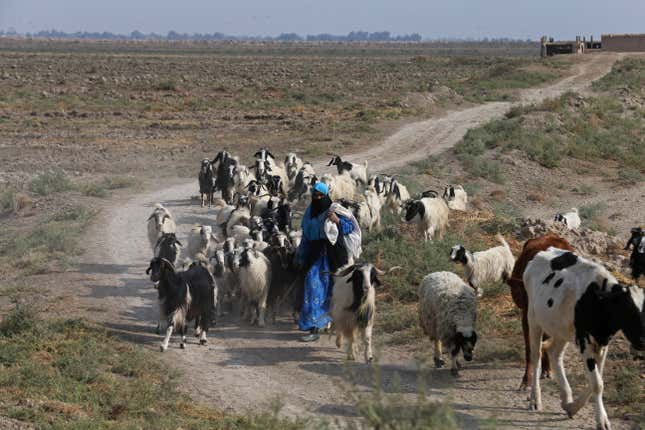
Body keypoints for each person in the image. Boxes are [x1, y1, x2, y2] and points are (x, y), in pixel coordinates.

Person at [296, 182, 360, 342]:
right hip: (315, 254)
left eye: (321, 195)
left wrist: (337, 221)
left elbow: (350, 228)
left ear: (326, 196)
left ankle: (337, 324)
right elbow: (305, 236)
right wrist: (300, 255)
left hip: (334, 255)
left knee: (335, 291)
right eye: (315, 195)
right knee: (313, 285)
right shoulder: (309, 212)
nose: (318, 198)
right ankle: (314, 327)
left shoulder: (334, 209)